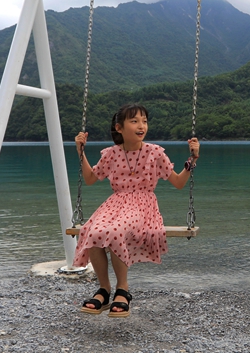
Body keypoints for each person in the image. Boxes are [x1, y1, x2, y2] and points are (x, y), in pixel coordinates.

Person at [73, 103, 200, 317]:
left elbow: (178, 182)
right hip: (115, 204)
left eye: (144, 121)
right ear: (119, 128)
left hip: (143, 205)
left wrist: (192, 159)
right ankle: (104, 290)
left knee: (115, 231)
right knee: (92, 232)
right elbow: (90, 179)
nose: (141, 126)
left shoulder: (155, 153)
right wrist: (81, 152)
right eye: (134, 121)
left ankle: (123, 290)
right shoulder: (111, 154)